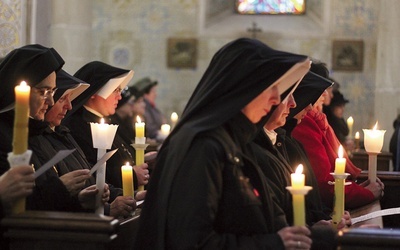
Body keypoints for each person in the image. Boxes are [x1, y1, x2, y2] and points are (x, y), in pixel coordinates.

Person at [134, 38, 313, 249]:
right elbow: (193, 242)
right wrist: (273, 243)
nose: (276, 99)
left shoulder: (233, 140)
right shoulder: (203, 145)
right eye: (272, 87)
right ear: (244, 86)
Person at [0, 45, 110, 214]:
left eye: (52, 91)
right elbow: (16, 206)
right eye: (44, 91)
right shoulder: (4, 135)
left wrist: (80, 201)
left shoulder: (40, 132)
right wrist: (60, 189)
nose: (51, 101)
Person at [32, 69, 139, 217]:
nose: (69, 106)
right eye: (62, 99)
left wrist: (125, 194)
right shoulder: (71, 129)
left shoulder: (64, 133)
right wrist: (107, 208)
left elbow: (90, 177)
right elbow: (39, 201)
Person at [292, 63, 384, 210]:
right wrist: (366, 193)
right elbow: (324, 183)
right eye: (322, 89)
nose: (326, 95)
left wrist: (360, 189)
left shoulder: (316, 119)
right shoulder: (304, 122)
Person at [63, 61, 149, 189]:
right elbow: (91, 169)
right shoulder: (77, 125)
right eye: (115, 90)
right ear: (94, 93)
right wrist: (131, 176)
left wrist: (143, 158)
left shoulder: (108, 119)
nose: (119, 97)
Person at [134, 77, 167, 142]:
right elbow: (150, 127)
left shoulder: (151, 107)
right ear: (145, 94)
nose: (156, 94)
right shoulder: (144, 107)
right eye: (153, 91)